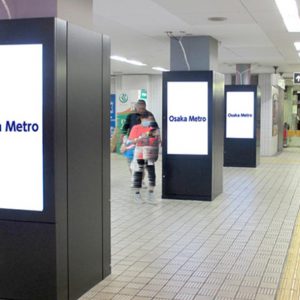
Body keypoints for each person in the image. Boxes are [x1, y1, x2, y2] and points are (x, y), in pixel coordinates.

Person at [128, 112, 160, 203]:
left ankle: (151, 194)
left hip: (149, 153)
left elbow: (156, 141)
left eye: (149, 120)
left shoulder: (152, 129)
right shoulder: (136, 128)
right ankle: (137, 195)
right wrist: (139, 138)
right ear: (142, 119)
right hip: (139, 154)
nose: (148, 121)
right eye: (146, 119)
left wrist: (156, 137)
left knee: (152, 175)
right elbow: (131, 141)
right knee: (138, 175)